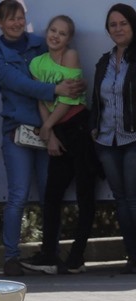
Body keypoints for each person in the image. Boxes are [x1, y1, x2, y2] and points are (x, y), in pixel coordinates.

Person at [0, 0, 85, 277]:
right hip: (17, 132)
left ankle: (49, 253)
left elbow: (67, 77)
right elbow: (22, 85)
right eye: (10, 19)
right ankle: (11, 257)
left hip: (49, 130)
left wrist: (78, 84)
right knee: (17, 195)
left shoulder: (41, 43)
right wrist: (55, 88)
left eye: (20, 18)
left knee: (49, 196)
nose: (16, 23)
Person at [18, 15, 97, 275]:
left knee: (86, 194)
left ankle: (76, 257)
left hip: (77, 126)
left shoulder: (71, 56)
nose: (56, 36)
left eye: (62, 33)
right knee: (51, 195)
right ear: (46, 32)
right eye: (53, 30)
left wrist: (48, 127)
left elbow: (70, 98)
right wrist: (50, 134)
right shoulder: (37, 63)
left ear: (68, 38)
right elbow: (42, 98)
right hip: (56, 129)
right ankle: (49, 256)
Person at [92, 3, 136, 274]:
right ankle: (132, 257)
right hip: (107, 140)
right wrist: (93, 127)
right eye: (113, 25)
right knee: (120, 200)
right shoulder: (103, 62)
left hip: (133, 138)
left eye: (123, 23)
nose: (118, 29)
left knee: (133, 200)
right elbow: (97, 100)